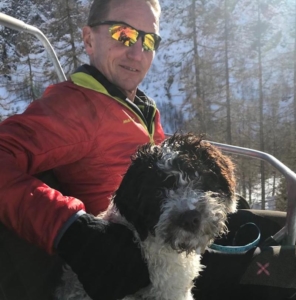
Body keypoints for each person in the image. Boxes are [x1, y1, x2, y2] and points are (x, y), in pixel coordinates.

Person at [0, 0, 165, 299]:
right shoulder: (75, 107)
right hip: (135, 278)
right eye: (124, 34)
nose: (137, 52)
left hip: (172, 244)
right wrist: (69, 227)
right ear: (89, 39)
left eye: (149, 40)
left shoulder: (140, 106)